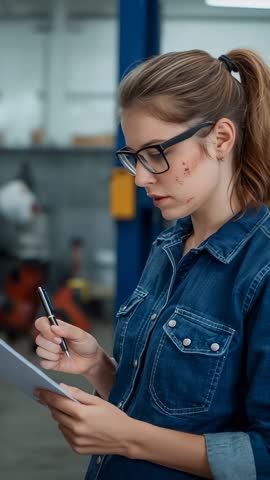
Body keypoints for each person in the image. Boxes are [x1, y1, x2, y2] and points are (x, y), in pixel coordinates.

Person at [34, 48, 270, 479]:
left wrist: (124, 439)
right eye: (133, 157)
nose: (140, 177)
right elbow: (170, 410)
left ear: (220, 138)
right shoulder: (170, 243)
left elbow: (264, 456)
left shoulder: (262, 269)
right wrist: (98, 366)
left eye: (156, 153)